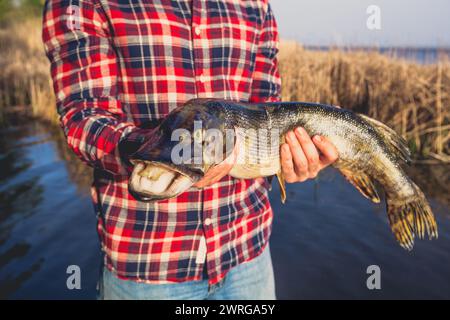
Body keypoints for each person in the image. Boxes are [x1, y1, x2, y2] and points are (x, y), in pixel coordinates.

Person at [42, 0, 338, 300]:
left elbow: (267, 107)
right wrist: (159, 154)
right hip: (148, 264)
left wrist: (289, 159)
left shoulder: (255, 4)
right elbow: (83, 116)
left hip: (249, 250)